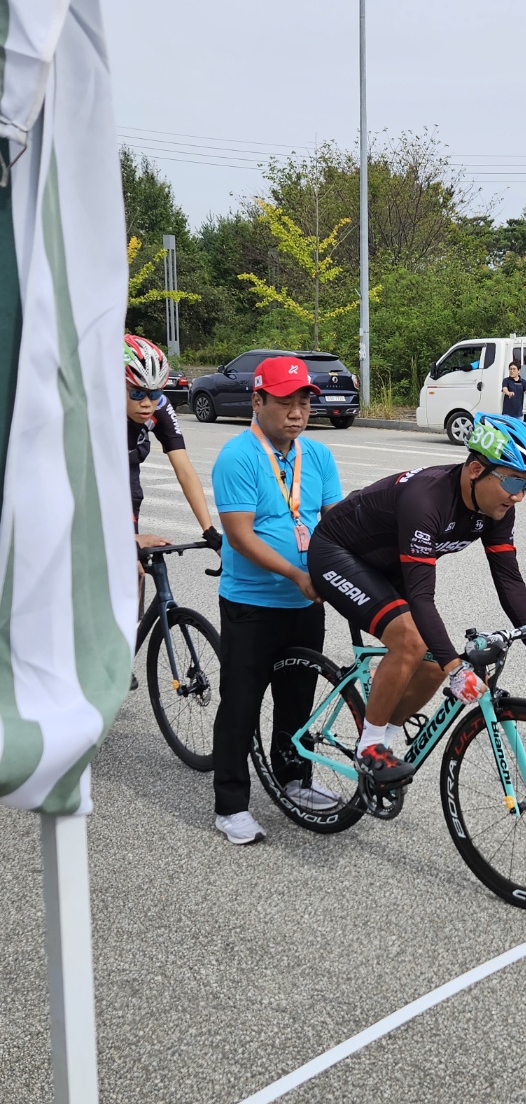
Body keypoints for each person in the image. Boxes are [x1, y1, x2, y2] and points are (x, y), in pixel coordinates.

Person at [308, 412, 526, 789]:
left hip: (387, 565)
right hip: (338, 553)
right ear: (476, 470)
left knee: (433, 665)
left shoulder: (497, 508)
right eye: (514, 481)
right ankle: (368, 748)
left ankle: (384, 741)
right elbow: (421, 596)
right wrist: (456, 669)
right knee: (413, 643)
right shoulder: (427, 499)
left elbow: (508, 578)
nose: (519, 496)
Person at [211, 355, 344, 845]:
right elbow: (240, 536)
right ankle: (230, 805)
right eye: (285, 401)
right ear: (258, 400)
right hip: (252, 604)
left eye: (304, 401)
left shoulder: (319, 455)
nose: (296, 412)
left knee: (297, 700)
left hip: (306, 603)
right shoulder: (238, 456)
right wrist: (294, 572)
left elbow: (335, 522)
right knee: (241, 702)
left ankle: (294, 779)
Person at [124, 334, 220, 548]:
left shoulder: (160, 406)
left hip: (127, 483)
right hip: (86, 492)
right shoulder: (92, 414)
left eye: (155, 393)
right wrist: (124, 540)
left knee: (133, 563)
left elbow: (184, 470)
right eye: (137, 394)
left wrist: (210, 532)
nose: (147, 403)